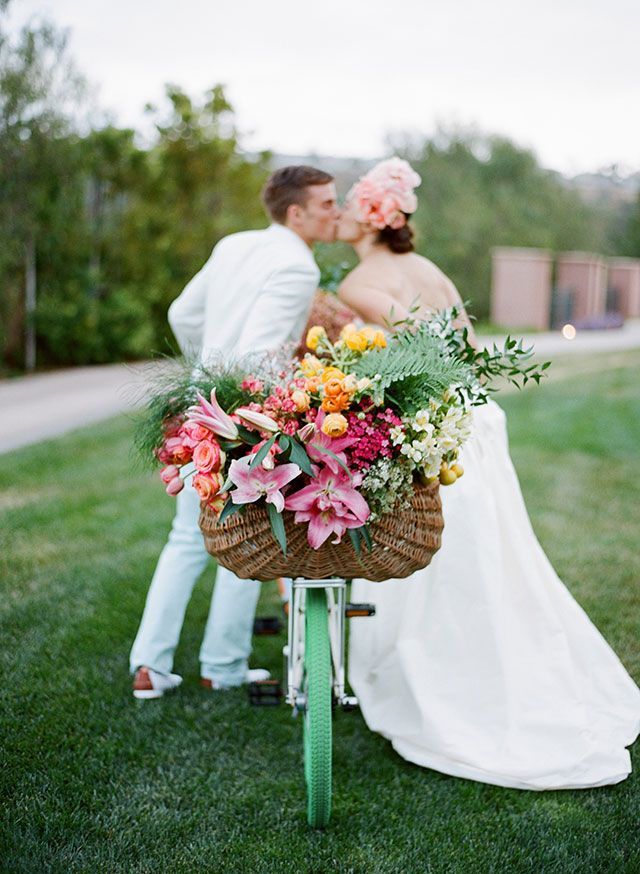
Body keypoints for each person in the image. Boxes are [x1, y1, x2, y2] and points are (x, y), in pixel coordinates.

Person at [337, 157, 640, 789]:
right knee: (486, 551)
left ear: (369, 217)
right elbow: (466, 348)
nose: (338, 215)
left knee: (433, 554)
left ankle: (454, 674)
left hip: (435, 429)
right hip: (476, 418)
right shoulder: (429, 269)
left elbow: (414, 349)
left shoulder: (359, 283)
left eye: (346, 205)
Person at [130, 165, 340, 699]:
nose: (336, 213)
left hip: (203, 403)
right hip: (246, 415)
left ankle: (150, 665)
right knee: (248, 539)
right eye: (327, 205)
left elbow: (182, 314)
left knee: (187, 539)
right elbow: (261, 353)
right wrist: (273, 411)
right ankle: (222, 666)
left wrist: (206, 373)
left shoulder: (234, 244)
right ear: (297, 213)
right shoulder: (297, 266)